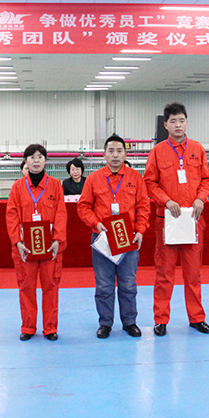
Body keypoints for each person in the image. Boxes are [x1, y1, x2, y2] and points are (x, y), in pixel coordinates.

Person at [143, 102, 209, 336]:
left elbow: (206, 180)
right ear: (165, 125)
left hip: (193, 219)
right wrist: (166, 201)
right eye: (173, 121)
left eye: (181, 120)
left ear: (187, 122)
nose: (178, 125)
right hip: (167, 220)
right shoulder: (157, 152)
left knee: (193, 274)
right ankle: (161, 319)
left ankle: (197, 318)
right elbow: (150, 182)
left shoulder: (197, 149)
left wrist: (201, 198)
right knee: (164, 273)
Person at [77, 134, 150, 339]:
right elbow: (83, 207)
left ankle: (129, 322)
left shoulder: (135, 178)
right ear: (104, 154)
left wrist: (140, 230)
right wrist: (96, 224)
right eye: (111, 151)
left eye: (119, 151)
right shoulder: (94, 179)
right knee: (104, 284)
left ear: (125, 154)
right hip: (102, 239)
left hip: (128, 239)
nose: (115, 155)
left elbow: (143, 207)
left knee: (128, 283)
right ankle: (105, 323)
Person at [5, 144, 67, 341]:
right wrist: (17, 241)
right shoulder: (17, 187)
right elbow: (11, 216)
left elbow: (61, 214)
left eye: (40, 156)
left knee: (51, 286)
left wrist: (57, 239)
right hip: (25, 248)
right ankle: (28, 327)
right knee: (26, 287)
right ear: (26, 161)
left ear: (45, 160)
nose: (36, 160)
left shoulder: (55, 185)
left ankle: (50, 327)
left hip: (50, 247)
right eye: (31, 157)